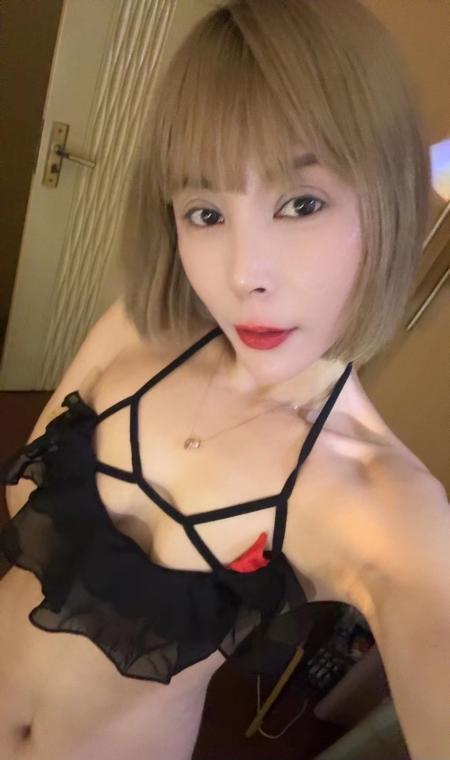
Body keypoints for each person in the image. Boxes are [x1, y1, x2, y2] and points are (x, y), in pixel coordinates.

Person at [1, 1, 449, 758]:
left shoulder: (376, 499)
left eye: (301, 204)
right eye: (205, 212)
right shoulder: (139, 330)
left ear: (389, 204)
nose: (245, 276)